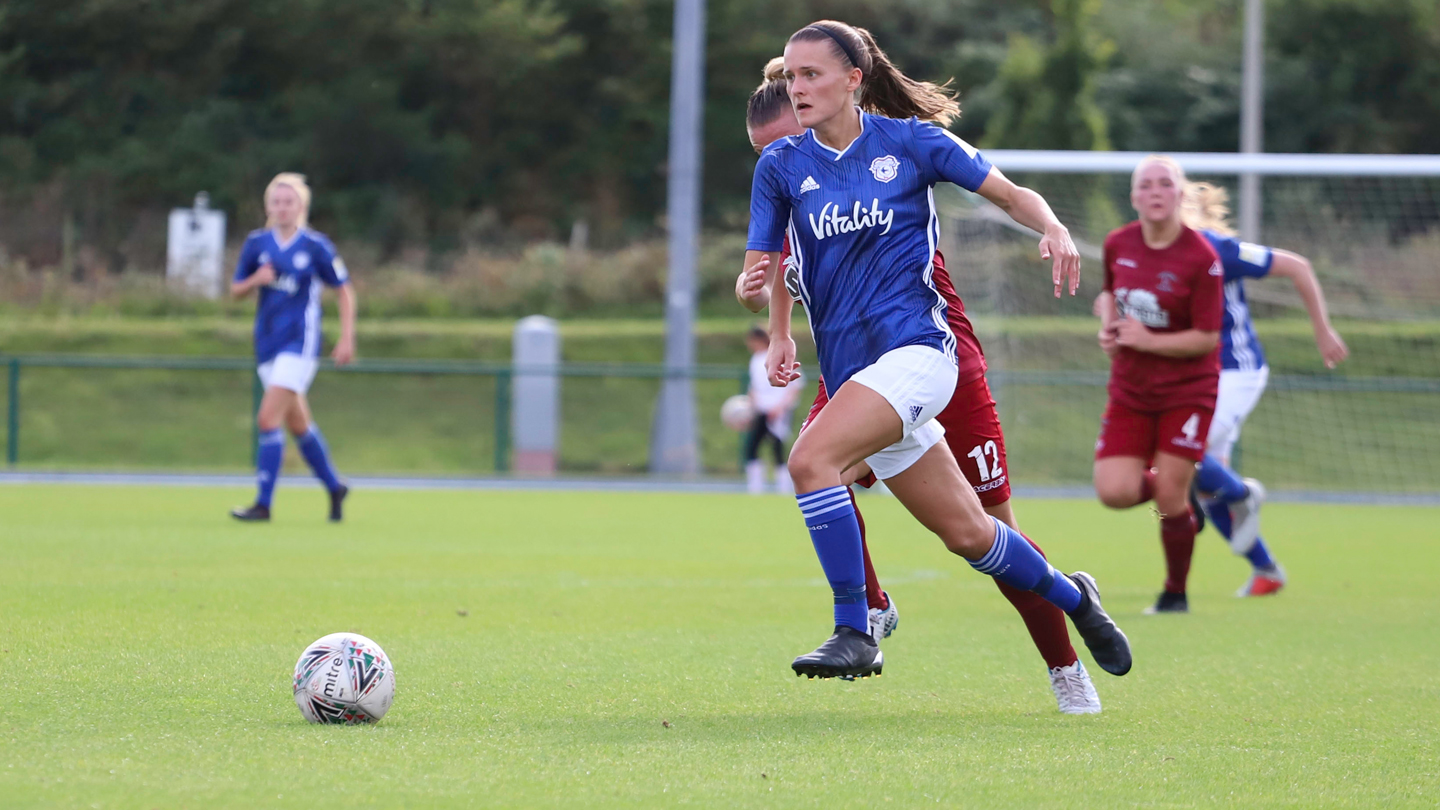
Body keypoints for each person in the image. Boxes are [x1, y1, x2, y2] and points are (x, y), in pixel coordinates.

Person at [745, 20, 1131, 685]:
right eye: (792, 77)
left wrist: (1054, 227)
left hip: (921, 352)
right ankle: (1078, 599)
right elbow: (762, 274)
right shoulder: (779, 166)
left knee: (810, 459)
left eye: (812, 76)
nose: (798, 88)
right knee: (972, 536)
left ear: (853, 80)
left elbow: (1009, 194)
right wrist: (754, 294)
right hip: (857, 372)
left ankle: (855, 627)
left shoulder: (912, 142)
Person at [1182, 183, 1348, 597]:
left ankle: (1245, 493)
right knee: (1205, 484)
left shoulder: (1218, 249)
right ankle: (1266, 569)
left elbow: (1299, 266)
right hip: (1196, 379)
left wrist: (1323, 330)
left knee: (1182, 450)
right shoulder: (1150, 259)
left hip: (1236, 372)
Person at [1094, 155, 1223, 615]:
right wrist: (1109, 327)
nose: (1154, 192)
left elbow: (1207, 338)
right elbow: (1110, 294)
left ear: (1179, 194)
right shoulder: (1118, 243)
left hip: (1188, 390)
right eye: (1145, 185)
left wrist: (1149, 339)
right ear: (1134, 197)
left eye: (1164, 184)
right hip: (1131, 388)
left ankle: (1175, 593)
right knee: (1115, 492)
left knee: (1167, 499)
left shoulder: (1202, 257)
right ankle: (1181, 490)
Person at [229, 173, 356, 523]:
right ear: (268, 206)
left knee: (267, 418)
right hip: (267, 344)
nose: (282, 208)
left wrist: (346, 338)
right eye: (276, 202)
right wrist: (257, 280)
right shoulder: (257, 244)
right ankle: (334, 486)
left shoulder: (316, 246)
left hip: (299, 344)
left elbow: (344, 290)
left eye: (289, 202)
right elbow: (235, 291)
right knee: (298, 425)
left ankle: (263, 505)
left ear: (301, 206)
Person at [743, 324, 803, 495]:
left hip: (778, 411)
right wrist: (749, 409)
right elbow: (754, 387)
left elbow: (794, 387)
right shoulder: (755, 359)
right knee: (752, 446)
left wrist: (780, 407)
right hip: (761, 410)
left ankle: (783, 487)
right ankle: (755, 487)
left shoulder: (779, 354)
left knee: (778, 447)